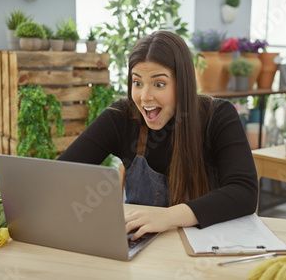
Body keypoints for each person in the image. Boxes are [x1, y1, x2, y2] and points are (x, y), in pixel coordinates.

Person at [58, 30, 258, 240]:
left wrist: (167, 217)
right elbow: (61, 175)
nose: (145, 96)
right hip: (140, 249)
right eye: (137, 82)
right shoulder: (121, 117)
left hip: (202, 251)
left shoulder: (218, 116)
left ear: (183, 84)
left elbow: (244, 192)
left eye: (159, 84)